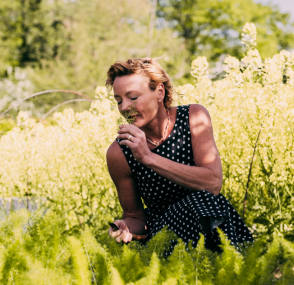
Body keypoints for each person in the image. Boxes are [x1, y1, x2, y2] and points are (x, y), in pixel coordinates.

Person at [105, 58, 254, 255]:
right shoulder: (119, 152)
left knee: (203, 200)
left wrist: (148, 158)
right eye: (118, 100)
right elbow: (135, 216)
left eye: (133, 98)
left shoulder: (194, 118)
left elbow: (213, 183)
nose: (124, 107)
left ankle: (229, 270)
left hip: (209, 216)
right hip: (165, 235)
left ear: (159, 92)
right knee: (201, 203)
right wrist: (126, 227)